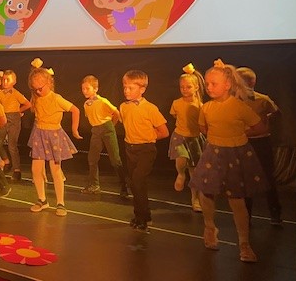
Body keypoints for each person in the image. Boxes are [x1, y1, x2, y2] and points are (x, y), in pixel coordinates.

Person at [189, 60, 269, 262]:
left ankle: (244, 243)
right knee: (206, 192)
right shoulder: (206, 107)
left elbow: (260, 127)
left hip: (235, 154)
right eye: (207, 84)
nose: (209, 87)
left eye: (214, 84)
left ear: (227, 85)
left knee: (237, 199)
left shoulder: (239, 107)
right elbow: (203, 128)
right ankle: (209, 228)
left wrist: (239, 134)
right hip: (213, 153)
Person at [27, 59, 79, 216]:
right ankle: (42, 200)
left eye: (40, 88)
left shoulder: (56, 98)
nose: (37, 92)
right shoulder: (36, 98)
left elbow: (75, 110)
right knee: (36, 169)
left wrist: (74, 129)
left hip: (54, 135)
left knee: (55, 170)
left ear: (49, 83)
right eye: (34, 89)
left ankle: (60, 203)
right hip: (39, 135)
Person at [120, 69, 169, 231]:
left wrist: (148, 137)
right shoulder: (123, 107)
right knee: (135, 184)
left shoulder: (150, 108)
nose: (126, 91)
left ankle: (143, 217)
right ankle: (141, 215)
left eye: (131, 88)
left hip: (145, 149)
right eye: (125, 87)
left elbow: (164, 132)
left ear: (142, 89)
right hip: (130, 148)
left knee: (137, 180)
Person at [237, 66, 282, 225]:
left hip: (261, 142)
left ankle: (275, 213)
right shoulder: (234, 100)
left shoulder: (263, 99)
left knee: (268, 178)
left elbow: (276, 113)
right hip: (243, 142)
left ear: (251, 82)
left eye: (239, 81)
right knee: (245, 179)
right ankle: (246, 216)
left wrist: (265, 120)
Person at [78, 75, 128, 198]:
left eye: (87, 88)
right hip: (96, 130)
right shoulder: (86, 104)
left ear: (95, 89)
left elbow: (116, 113)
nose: (84, 91)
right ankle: (94, 185)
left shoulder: (103, 101)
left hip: (106, 128)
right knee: (92, 158)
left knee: (115, 159)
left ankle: (124, 186)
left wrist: (111, 126)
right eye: (83, 89)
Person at [169, 63, 206, 212]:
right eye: (182, 87)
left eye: (188, 87)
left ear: (196, 87)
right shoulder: (176, 103)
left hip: (194, 138)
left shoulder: (200, 105)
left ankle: (194, 199)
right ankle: (180, 174)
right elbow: (174, 115)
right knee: (181, 157)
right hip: (180, 136)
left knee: (194, 170)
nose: (184, 89)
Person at [0, 69, 30, 181]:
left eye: (8, 80)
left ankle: (17, 170)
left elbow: (27, 104)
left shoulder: (16, 93)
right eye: (4, 79)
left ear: (14, 82)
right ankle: (6, 161)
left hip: (14, 119)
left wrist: (18, 111)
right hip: (3, 118)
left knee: (12, 145)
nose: (5, 82)